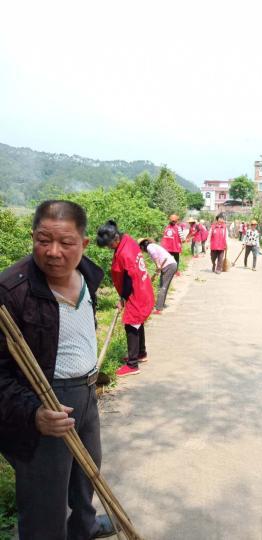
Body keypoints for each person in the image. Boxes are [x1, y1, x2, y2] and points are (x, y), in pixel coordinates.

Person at [0, 200, 114, 540]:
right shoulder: (12, 291)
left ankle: (84, 528)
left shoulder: (88, 275)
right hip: (44, 399)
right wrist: (33, 412)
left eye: (65, 243)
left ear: (84, 244)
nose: (52, 252)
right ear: (32, 237)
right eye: (42, 240)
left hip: (87, 392)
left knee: (87, 473)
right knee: (44, 500)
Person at [96, 221, 154, 377]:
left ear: (115, 239)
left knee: (130, 324)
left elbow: (128, 279)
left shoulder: (125, 253)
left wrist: (122, 298)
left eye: (109, 245)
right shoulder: (127, 239)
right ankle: (141, 353)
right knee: (137, 322)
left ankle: (132, 364)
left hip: (137, 292)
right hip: (141, 287)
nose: (109, 248)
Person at [139, 238, 177, 314]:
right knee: (163, 285)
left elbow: (155, 255)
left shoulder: (149, 247)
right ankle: (161, 304)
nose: (141, 250)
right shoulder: (153, 246)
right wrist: (158, 268)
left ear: (142, 246)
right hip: (170, 265)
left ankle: (158, 308)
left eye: (140, 248)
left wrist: (158, 265)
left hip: (168, 265)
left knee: (163, 286)